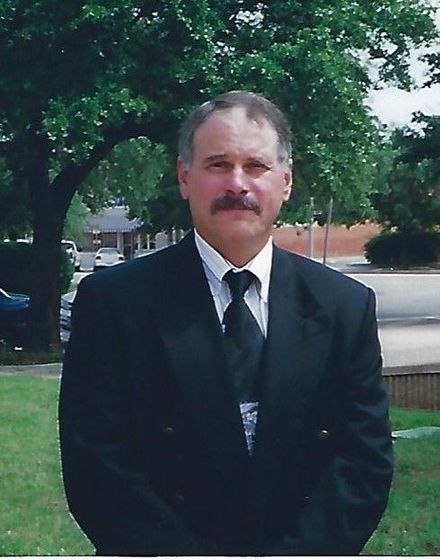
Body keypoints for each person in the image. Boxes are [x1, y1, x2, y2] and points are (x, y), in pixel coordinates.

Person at [59, 90, 393, 556]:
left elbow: (363, 462)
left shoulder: (345, 307)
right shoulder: (114, 304)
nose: (238, 184)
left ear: (286, 181)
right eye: (217, 165)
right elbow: (96, 465)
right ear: (184, 177)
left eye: (255, 166)